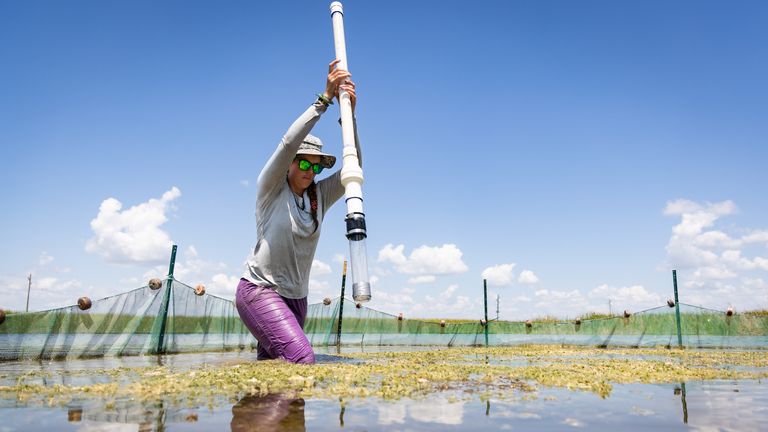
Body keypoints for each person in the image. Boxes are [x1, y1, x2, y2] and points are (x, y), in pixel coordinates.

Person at [235, 59, 360, 364]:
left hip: (297, 299)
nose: (309, 170)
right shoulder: (271, 189)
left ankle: (257, 411)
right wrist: (326, 99)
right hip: (261, 291)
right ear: (290, 164)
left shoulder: (319, 195)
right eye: (303, 162)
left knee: (274, 374)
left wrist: (349, 117)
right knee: (302, 360)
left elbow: (355, 167)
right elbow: (289, 141)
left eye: (315, 165)